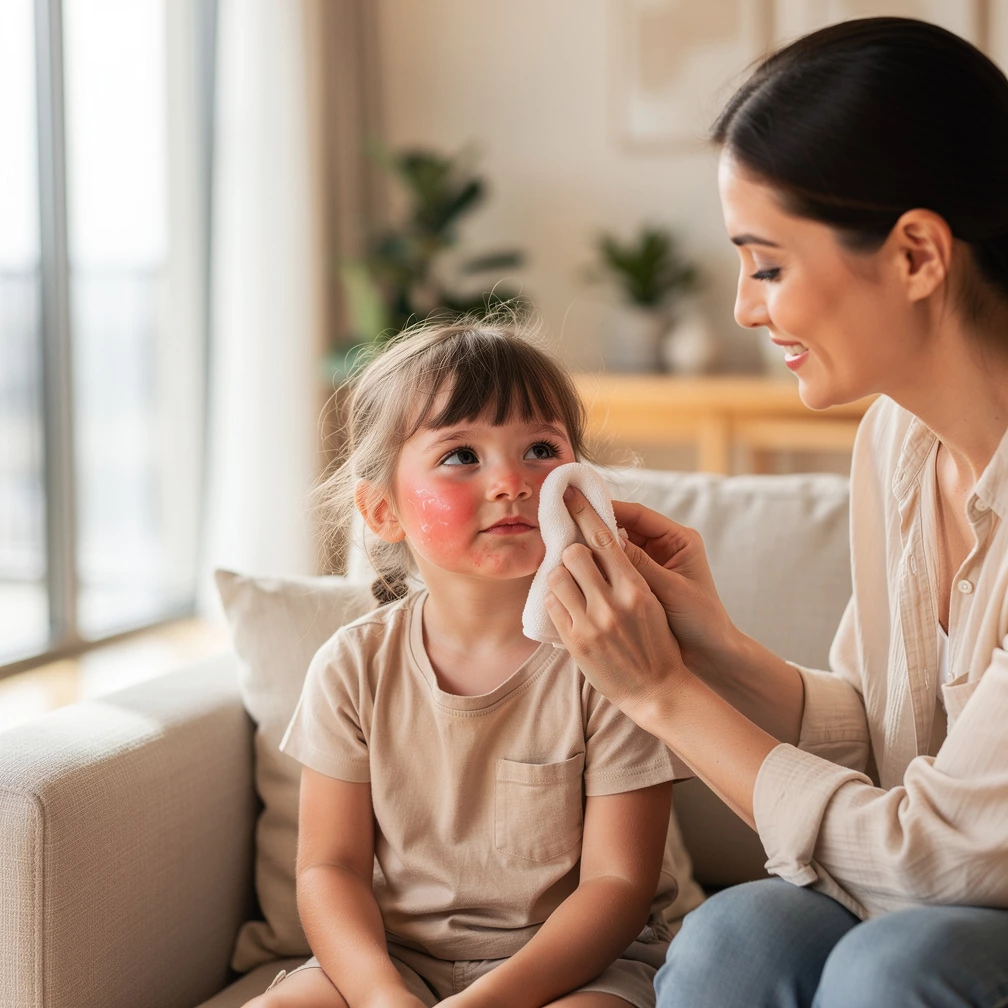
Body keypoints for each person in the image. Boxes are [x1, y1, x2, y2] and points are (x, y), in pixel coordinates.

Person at [543, 17, 1008, 1008]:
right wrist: (711, 645)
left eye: (767, 265)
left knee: (896, 967)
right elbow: (886, 737)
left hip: (958, 908)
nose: (748, 310)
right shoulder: (896, 442)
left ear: (918, 254)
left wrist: (663, 694)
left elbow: (942, 857)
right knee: (732, 937)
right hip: (944, 893)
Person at [246, 317, 692, 1008]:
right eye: (461, 456)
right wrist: (377, 995)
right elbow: (329, 868)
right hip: (398, 963)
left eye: (540, 449)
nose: (512, 481)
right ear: (381, 511)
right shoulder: (352, 667)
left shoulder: (614, 655)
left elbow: (618, 887)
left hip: (580, 968)